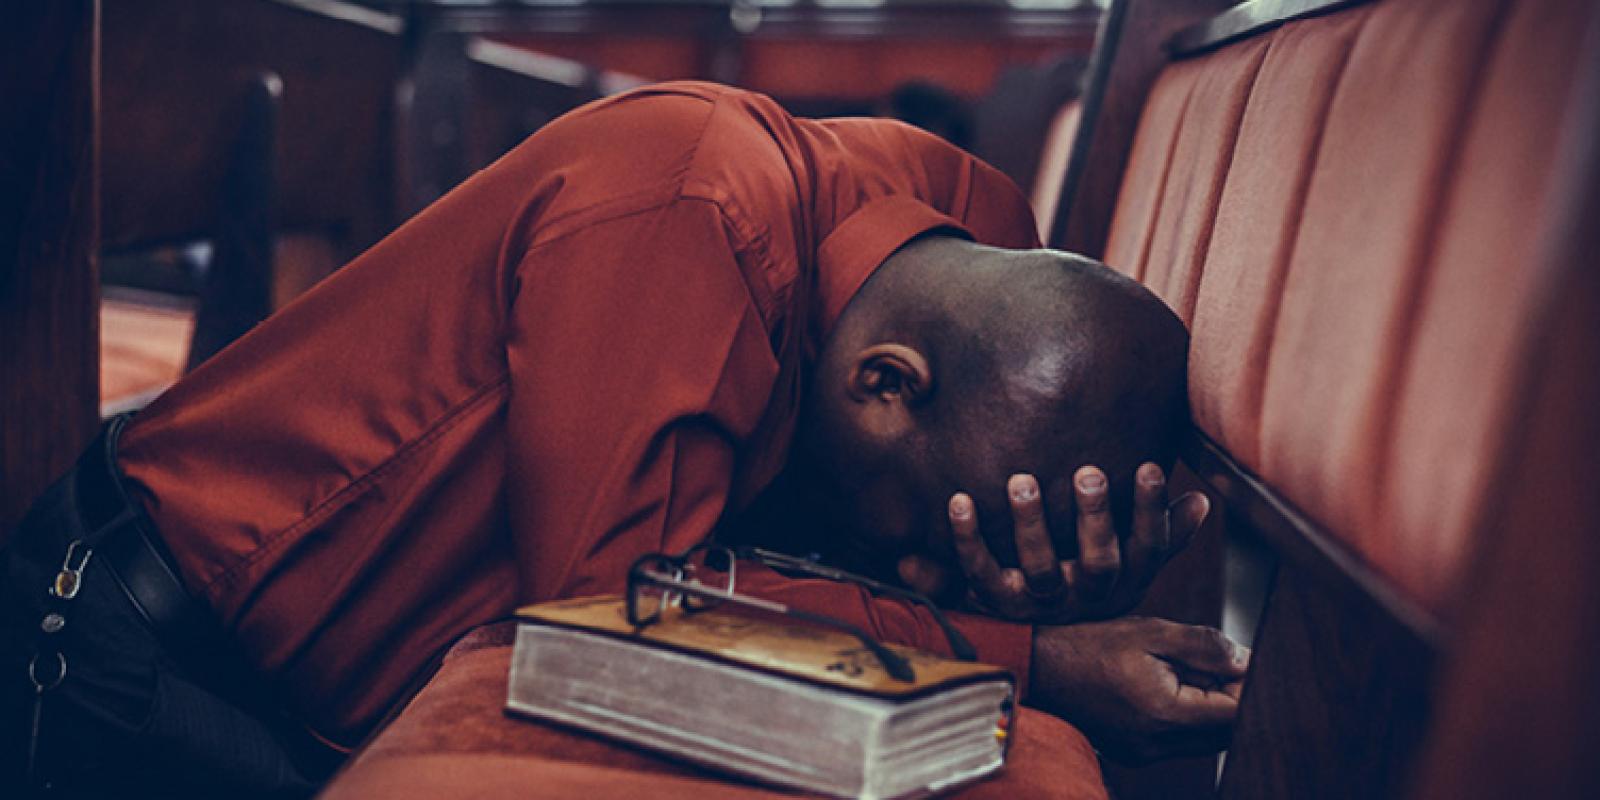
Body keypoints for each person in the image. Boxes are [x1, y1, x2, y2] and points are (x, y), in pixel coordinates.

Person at [1, 81, 1245, 798]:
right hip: (129, 668)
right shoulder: (689, 209)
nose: (916, 570)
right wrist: (1028, 657)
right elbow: (616, 638)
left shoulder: (966, 231)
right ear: (883, 382)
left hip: (326, 694)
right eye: (925, 541)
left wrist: (1045, 579)